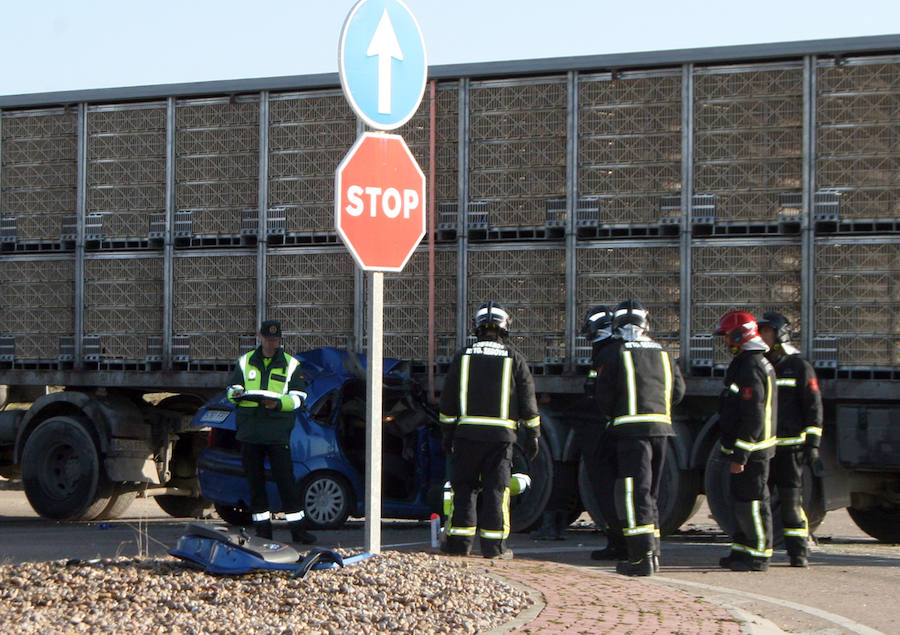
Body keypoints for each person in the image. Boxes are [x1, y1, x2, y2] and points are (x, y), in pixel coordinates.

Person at [439, 301, 541, 559]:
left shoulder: (463, 357)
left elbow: (448, 402)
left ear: (477, 327)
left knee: (464, 489)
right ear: (505, 328)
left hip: (466, 437)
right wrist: (533, 436)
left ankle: (459, 546)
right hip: (500, 440)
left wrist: (447, 434)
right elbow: (529, 403)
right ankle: (494, 548)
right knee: (497, 491)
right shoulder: (514, 359)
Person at [593, 299, 685, 576]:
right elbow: (678, 392)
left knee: (636, 494)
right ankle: (653, 552)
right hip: (661, 430)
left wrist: (618, 416)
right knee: (652, 494)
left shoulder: (613, 353)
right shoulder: (664, 354)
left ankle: (639, 559)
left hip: (631, 433)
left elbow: (604, 396)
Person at [226, 320, 316, 545]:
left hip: (277, 433)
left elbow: (299, 397)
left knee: (286, 482)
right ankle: (263, 531)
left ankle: (298, 530)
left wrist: (278, 404)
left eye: (275, 340)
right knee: (255, 484)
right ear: (260, 337)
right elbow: (231, 390)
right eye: (268, 339)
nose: (271, 343)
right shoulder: (245, 361)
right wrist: (236, 394)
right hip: (250, 433)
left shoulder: (290, 364)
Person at [757, 311, 823, 567]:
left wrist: (813, 443)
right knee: (760, 502)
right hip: (764, 448)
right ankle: (761, 550)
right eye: (760, 331)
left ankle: (798, 553)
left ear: (780, 334)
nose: (762, 336)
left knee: (791, 503)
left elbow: (813, 406)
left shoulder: (798, 366)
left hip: (791, 449)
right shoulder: (760, 364)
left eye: (767, 331)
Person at [713, 310, 777, 572]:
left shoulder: (751, 365)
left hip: (753, 451)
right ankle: (740, 551)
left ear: (740, 335)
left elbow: (753, 415)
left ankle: (758, 554)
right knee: (739, 502)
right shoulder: (748, 362)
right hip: (747, 449)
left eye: (728, 336)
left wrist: (741, 454)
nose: (726, 343)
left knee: (752, 503)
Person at [578, 306, 627, 561]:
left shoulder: (606, 353)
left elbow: (599, 395)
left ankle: (617, 541)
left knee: (605, 488)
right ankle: (622, 540)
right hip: (616, 429)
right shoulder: (619, 348)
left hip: (602, 430)